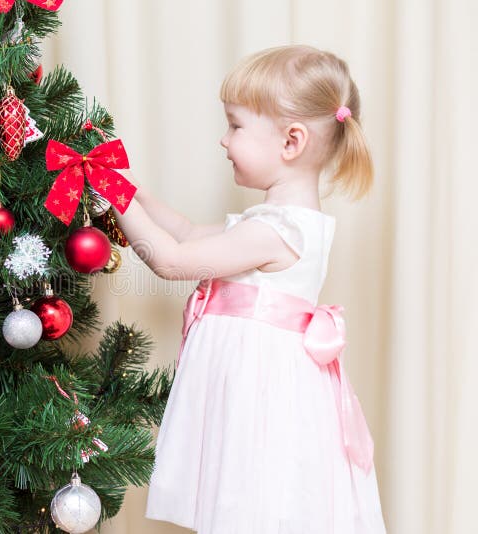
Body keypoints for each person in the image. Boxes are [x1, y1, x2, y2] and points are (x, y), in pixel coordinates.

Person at [112, 45, 387, 533]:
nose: (223, 140)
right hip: (245, 385)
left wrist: (111, 199)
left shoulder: (279, 231)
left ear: (291, 141)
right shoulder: (272, 221)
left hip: (259, 394)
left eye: (236, 126)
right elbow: (189, 234)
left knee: (253, 501)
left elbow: (173, 261)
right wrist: (132, 193)